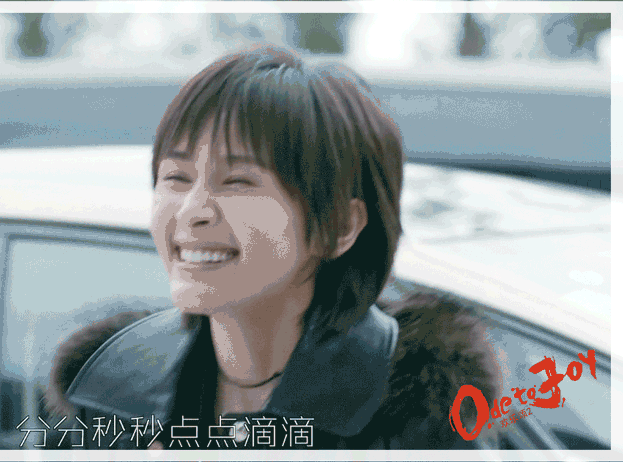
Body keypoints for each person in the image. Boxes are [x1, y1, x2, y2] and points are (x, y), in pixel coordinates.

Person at [45, 45, 499, 449]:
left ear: (339, 227)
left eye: (238, 182)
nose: (192, 210)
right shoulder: (109, 392)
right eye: (176, 177)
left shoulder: (418, 422)